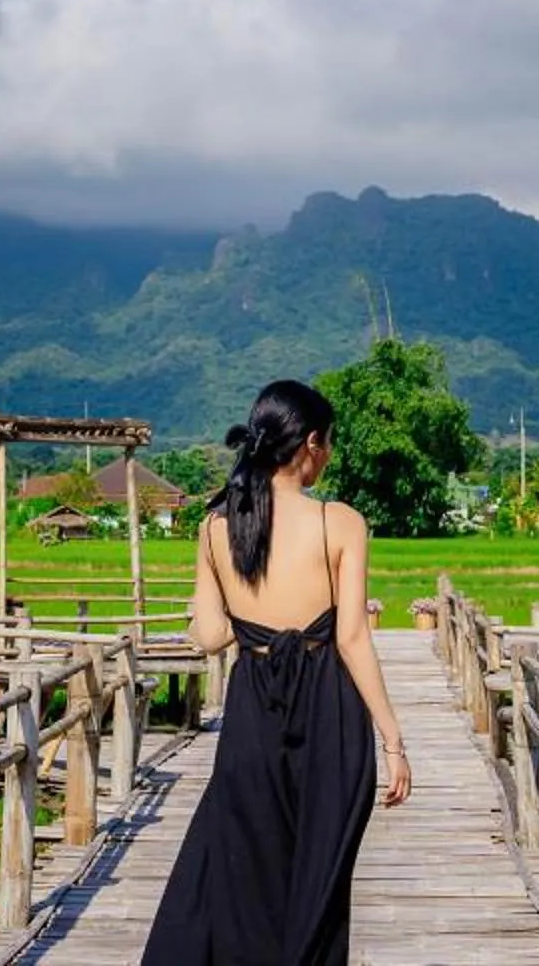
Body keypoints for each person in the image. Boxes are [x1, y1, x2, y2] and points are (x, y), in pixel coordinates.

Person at [141, 379, 411, 964]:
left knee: (246, 871)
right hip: (330, 716)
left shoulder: (216, 527)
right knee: (320, 881)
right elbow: (353, 637)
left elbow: (210, 636)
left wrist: (214, 607)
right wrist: (393, 739)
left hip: (251, 716)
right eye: (330, 442)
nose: (329, 454)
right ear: (311, 443)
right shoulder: (340, 522)